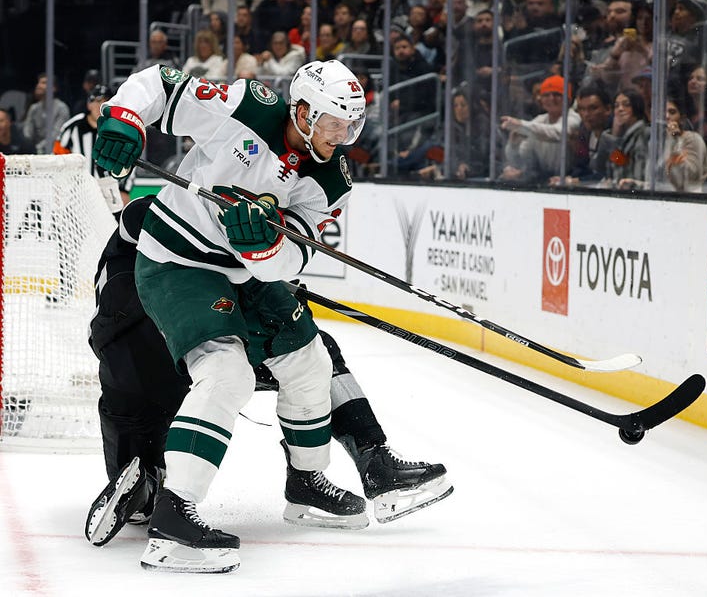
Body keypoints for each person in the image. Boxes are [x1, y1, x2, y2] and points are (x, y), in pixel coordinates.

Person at [90, 60, 397, 573]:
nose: (341, 137)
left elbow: (296, 256)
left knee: (310, 362)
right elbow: (160, 85)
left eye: (350, 126)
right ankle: (173, 515)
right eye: (332, 125)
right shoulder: (247, 107)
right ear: (301, 113)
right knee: (225, 371)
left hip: (246, 275)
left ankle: (307, 485)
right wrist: (124, 117)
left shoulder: (331, 181)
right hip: (177, 260)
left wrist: (267, 246)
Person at [84, 196, 452, 548]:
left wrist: (271, 290)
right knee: (144, 458)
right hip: (145, 356)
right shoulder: (152, 248)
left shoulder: (217, 235)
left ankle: (369, 459)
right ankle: (153, 487)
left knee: (315, 353)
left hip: (181, 348)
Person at [53, 85, 133, 218]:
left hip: (112, 191)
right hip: (78, 192)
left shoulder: (121, 128)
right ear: (88, 105)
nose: (100, 106)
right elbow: (58, 158)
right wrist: (61, 186)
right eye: (96, 101)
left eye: (105, 102)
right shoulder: (73, 127)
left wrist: (124, 189)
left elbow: (130, 160)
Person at [499, 74, 581, 184]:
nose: (551, 99)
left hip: (573, 180)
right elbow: (523, 160)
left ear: (568, 98)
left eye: (557, 94)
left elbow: (557, 133)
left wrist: (521, 125)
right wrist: (513, 145)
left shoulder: (574, 118)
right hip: (546, 181)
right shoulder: (538, 121)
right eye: (546, 95)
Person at [550, 83, 612, 187]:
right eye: (582, 109)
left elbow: (617, 166)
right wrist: (569, 178)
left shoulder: (616, 134)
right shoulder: (584, 131)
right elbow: (581, 164)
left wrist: (578, 181)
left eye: (593, 108)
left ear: (608, 109)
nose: (586, 114)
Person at [598, 87, 650, 189]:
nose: (620, 109)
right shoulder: (621, 137)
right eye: (616, 106)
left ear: (636, 106)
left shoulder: (644, 134)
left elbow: (636, 174)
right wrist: (614, 136)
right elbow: (608, 167)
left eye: (626, 105)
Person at [661, 95, 707, 192]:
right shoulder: (660, 141)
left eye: (672, 112)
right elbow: (662, 182)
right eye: (664, 112)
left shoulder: (693, 139)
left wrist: (675, 141)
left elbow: (691, 177)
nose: (666, 116)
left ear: (682, 118)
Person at [22, 73, 70, 154]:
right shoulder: (34, 108)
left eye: (43, 83)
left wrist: (39, 148)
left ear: (54, 88)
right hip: (34, 153)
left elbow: (57, 135)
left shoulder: (61, 108)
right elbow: (27, 133)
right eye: (39, 82)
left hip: (54, 153)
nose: (39, 86)